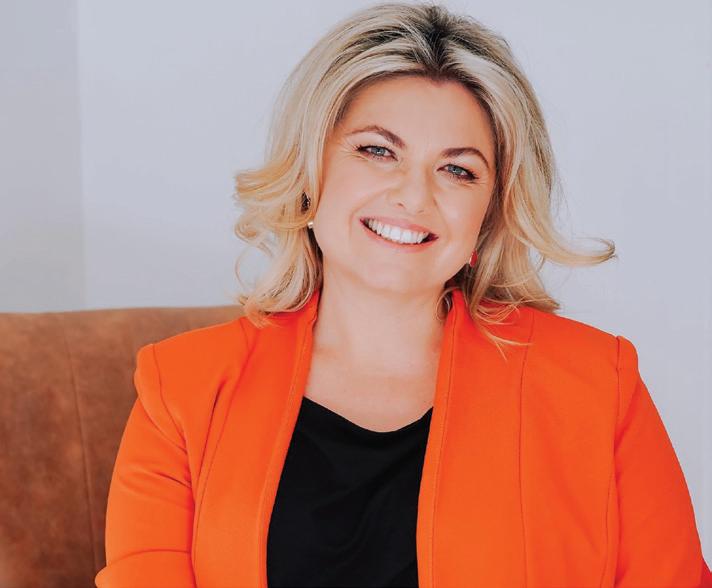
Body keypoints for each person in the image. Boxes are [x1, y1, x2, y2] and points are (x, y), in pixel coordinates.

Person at [95, 2, 712, 587]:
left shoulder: (599, 385)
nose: (414, 196)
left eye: (458, 169)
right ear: (309, 173)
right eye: (377, 150)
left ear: (489, 215)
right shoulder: (181, 391)